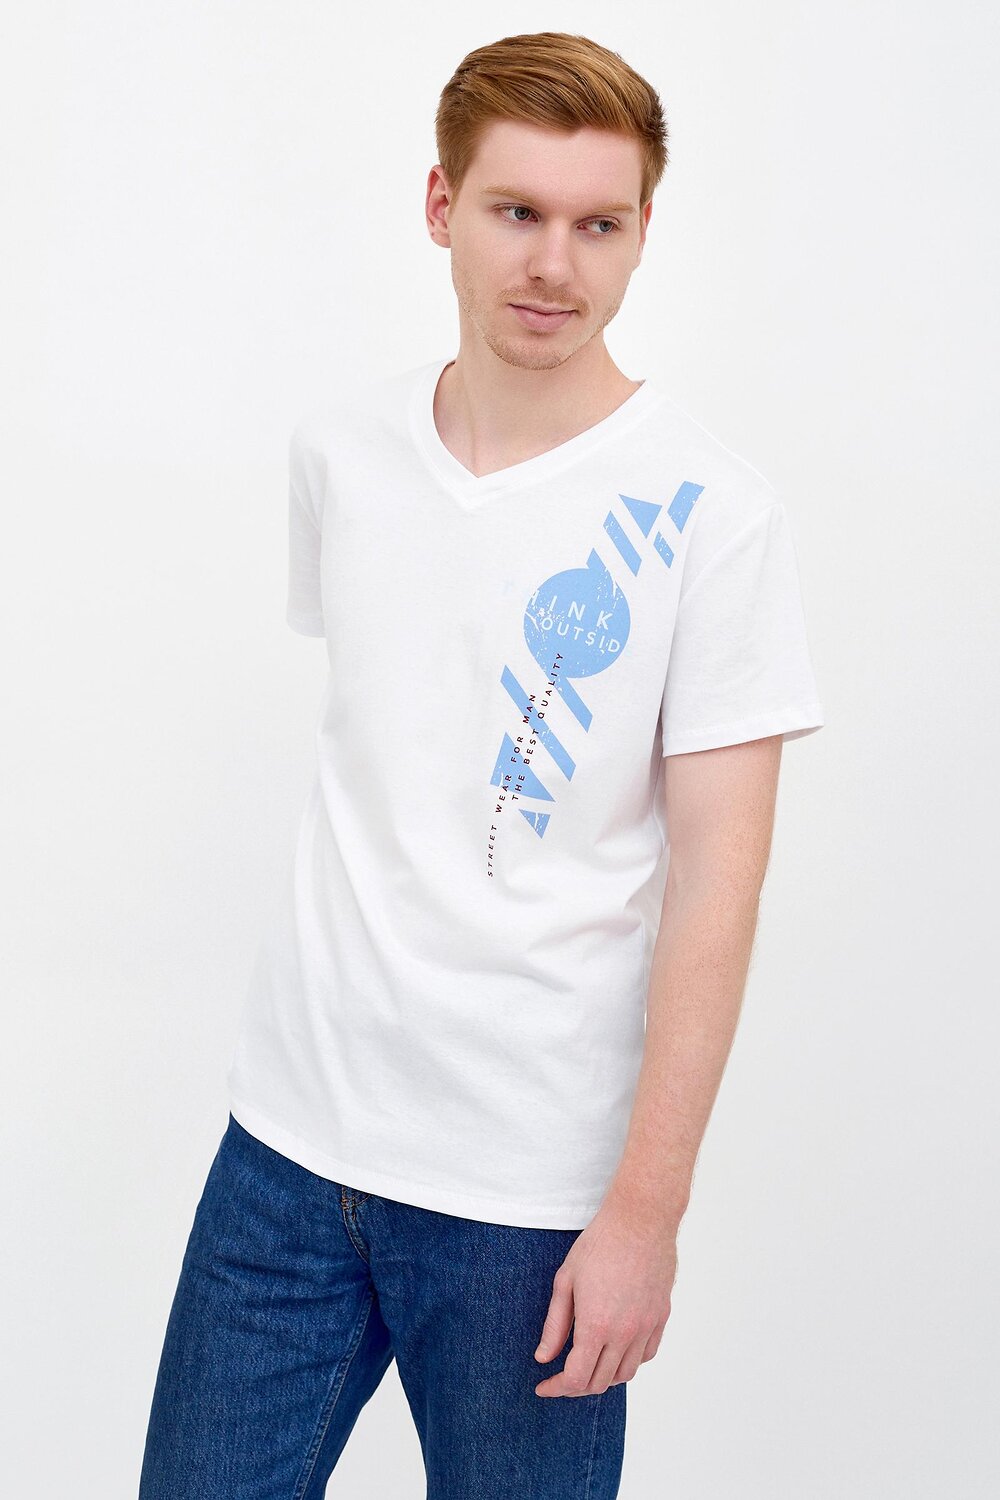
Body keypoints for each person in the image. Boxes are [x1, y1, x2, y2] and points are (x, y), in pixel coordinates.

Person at [138, 29, 825, 1500]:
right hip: (285, 1156)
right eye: (518, 212)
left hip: (529, 1203)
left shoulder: (713, 515)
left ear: (644, 232)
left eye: (600, 224)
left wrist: (645, 1216)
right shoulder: (343, 453)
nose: (555, 266)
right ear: (441, 204)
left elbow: (719, 888)